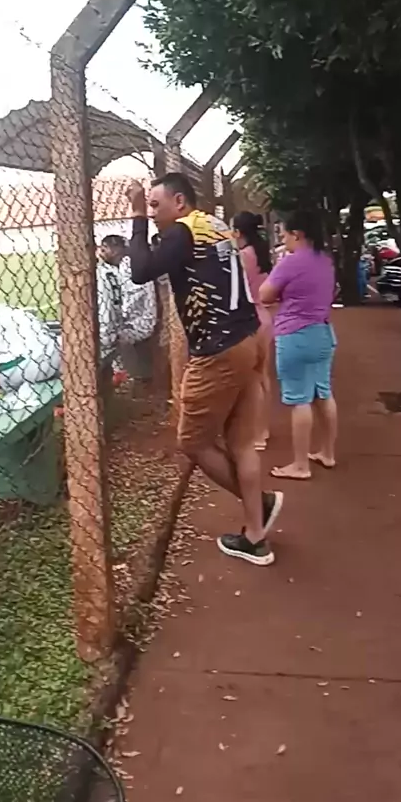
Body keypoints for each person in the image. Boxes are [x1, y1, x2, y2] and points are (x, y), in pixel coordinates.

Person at [127, 172, 284, 567]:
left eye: (156, 205)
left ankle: (261, 505)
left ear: (179, 202)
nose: (153, 212)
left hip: (218, 350)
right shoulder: (214, 225)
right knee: (241, 443)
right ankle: (255, 537)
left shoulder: (182, 231)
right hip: (248, 337)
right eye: (149, 207)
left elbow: (140, 270)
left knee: (193, 442)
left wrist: (136, 216)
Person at [259, 210, 337, 480]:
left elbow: (264, 294)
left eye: (285, 234)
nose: (283, 239)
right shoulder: (326, 260)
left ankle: (300, 465)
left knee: (300, 400)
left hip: (295, 334)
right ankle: (327, 453)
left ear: (298, 234)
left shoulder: (290, 262)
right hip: (323, 332)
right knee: (323, 394)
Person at [232, 211, 273, 451]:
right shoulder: (262, 253)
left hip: (249, 319)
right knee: (263, 376)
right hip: (265, 317)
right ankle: (264, 429)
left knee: (252, 380)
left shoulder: (242, 256)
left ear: (238, 232)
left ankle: (256, 433)